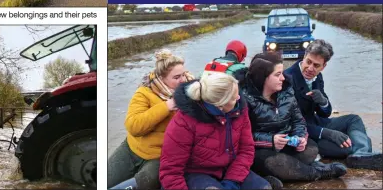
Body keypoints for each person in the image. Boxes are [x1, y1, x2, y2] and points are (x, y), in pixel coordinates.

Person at [243, 52, 347, 189]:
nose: (282, 77)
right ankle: (318, 172)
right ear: (263, 78)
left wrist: (300, 136)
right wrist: (271, 140)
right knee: (274, 162)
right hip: (261, 149)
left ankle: (280, 174)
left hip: (287, 144)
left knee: (311, 149)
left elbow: (299, 120)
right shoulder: (245, 99)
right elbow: (242, 136)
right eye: (277, 74)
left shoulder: (286, 91)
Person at [159, 73, 271, 190]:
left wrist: (232, 181)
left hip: (229, 167)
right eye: (233, 97)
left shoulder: (239, 110)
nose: (239, 98)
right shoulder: (184, 121)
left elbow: (246, 150)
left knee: (264, 187)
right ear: (220, 104)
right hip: (195, 172)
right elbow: (171, 170)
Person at [285, 39, 382, 171]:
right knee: (350, 145)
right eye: (308, 62)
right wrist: (327, 133)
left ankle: (361, 154)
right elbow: (290, 123)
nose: (310, 68)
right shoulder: (288, 79)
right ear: (304, 56)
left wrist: (323, 101)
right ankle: (361, 149)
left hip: (316, 121)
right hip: (303, 133)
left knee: (354, 119)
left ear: (323, 66)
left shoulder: (318, 77)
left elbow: (325, 113)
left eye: (316, 65)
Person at [108, 50, 191, 190]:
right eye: (177, 77)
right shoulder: (144, 92)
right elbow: (133, 125)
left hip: (160, 155)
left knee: (145, 182)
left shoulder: (191, 90)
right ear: (161, 78)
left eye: (184, 74)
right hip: (132, 148)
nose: (183, 80)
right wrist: (167, 106)